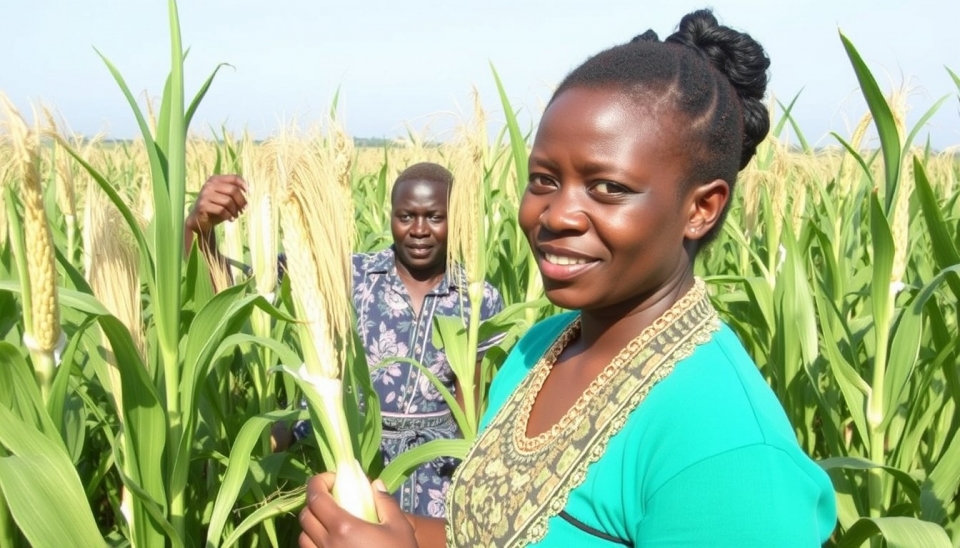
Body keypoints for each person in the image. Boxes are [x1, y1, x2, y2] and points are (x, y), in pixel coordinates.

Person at [297, 9, 838, 548]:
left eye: (607, 187)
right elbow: (489, 536)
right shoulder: (538, 351)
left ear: (701, 209)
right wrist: (391, 527)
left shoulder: (729, 448)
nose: (557, 214)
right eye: (544, 179)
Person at [184, 162, 506, 518]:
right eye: (406, 216)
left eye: (434, 217)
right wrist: (199, 229)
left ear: (455, 218)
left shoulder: (477, 299)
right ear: (390, 217)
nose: (418, 230)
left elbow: (468, 403)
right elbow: (239, 292)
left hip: (434, 471)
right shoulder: (346, 273)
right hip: (345, 452)